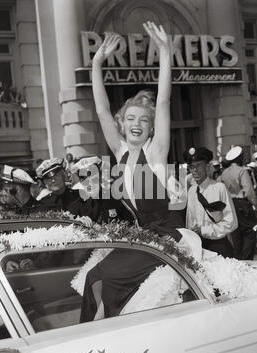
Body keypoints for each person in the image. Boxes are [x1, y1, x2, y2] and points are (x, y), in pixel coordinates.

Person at [79, 22, 194, 323]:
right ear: (122, 122)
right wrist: (95, 64)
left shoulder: (156, 151)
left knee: (110, 279)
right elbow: (102, 109)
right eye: (131, 117)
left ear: (150, 126)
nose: (137, 123)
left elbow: (165, 100)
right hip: (142, 238)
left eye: (144, 119)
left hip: (165, 238)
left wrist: (166, 52)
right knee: (94, 275)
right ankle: (92, 334)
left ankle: (108, 332)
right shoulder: (119, 152)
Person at [185, 147, 237, 258]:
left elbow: (231, 222)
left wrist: (204, 230)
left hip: (218, 245)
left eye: (198, 165)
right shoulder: (191, 191)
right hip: (199, 247)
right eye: (191, 167)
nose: (194, 170)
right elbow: (190, 220)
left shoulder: (219, 188)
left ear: (207, 166)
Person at [220, 146, 257, 260]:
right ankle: (245, 260)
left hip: (230, 205)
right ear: (239, 158)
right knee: (250, 233)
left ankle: (238, 259)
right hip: (242, 205)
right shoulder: (242, 171)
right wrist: (256, 205)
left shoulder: (224, 173)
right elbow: (249, 191)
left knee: (236, 235)